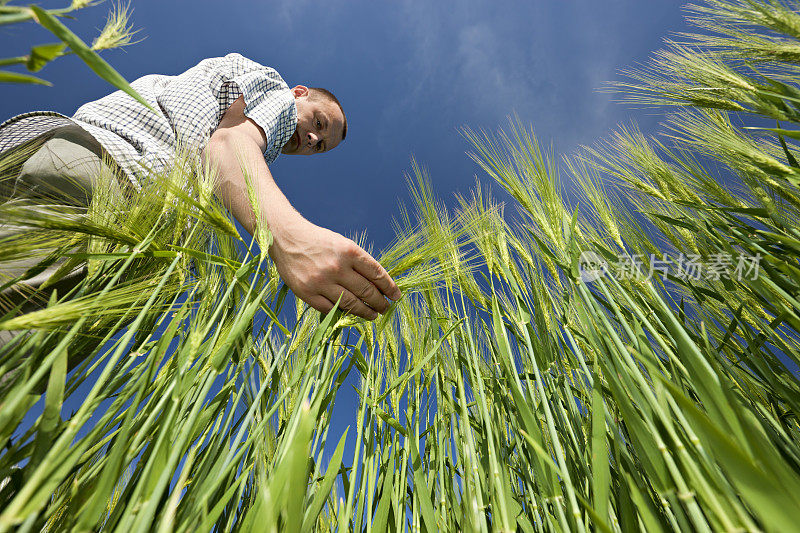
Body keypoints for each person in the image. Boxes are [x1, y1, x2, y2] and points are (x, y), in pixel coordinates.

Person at [0, 53, 401, 325]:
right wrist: (294, 241)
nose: (314, 139)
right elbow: (226, 145)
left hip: (50, 148)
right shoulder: (275, 95)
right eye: (318, 122)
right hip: (110, 186)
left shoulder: (233, 96)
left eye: (321, 146)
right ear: (299, 93)